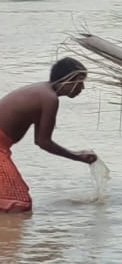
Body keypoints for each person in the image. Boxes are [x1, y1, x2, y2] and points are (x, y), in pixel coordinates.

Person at [0, 59, 97, 213]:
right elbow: (44, 142)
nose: (82, 88)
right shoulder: (49, 98)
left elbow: (39, 140)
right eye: (80, 82)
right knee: (18, 203)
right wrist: (78, 157)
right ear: (67, 81)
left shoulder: (43, 92)